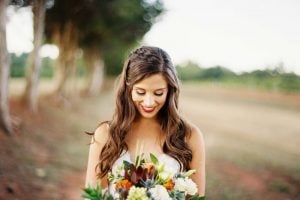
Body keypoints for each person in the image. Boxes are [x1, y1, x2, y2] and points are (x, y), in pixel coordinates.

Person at [85, 46, 205, 197]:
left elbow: (196, 197)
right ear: (128, 89)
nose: (149, 102)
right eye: (140, 92)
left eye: (158, 93)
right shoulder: (105, 134)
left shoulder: (190, 136)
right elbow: (93, 196)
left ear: (170, 90)